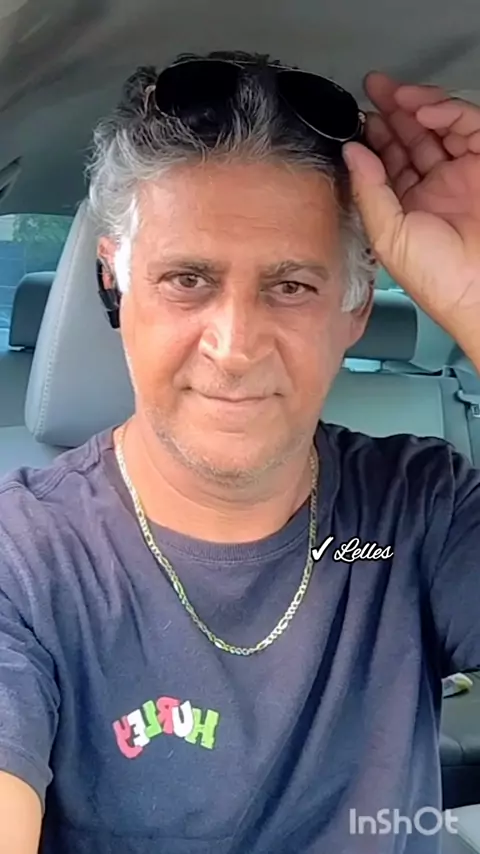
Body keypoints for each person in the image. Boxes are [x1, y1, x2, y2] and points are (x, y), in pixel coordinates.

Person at [0, 50, 479, 854]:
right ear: (115, 282)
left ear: (355, 307)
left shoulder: (421, 508)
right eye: (187, 279)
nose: (234, 347)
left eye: (291, 286)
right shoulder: (23, 559)